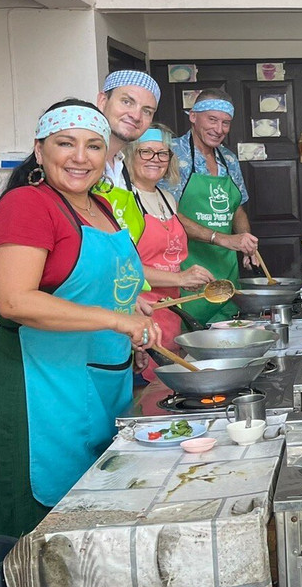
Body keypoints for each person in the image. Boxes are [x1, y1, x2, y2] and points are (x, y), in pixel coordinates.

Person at [0, 99, 161, 537]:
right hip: (43, 390)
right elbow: (13, 300)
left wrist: (131, 319)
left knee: (92, 520)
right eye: (65, 143)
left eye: (93, 145)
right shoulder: (28, 205)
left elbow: (100, 287)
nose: (80, 157)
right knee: (41, 535)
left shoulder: (100, 208)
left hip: (102, 383)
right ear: (39, 149)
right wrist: (114, 320)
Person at [125, 124, 215, 377]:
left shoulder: (167, 198)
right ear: (131, 154)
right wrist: (180, 278)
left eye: (163, 153)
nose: (156, 159)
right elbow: (124, 269)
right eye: (146, 152)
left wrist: (188, 277)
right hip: (139, 312)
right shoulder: (123, 200)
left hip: (170, 311)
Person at [165, 89, 259, 325]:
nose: (219, 129)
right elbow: (166, 214)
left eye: (225, 123)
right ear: (193, 117)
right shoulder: (170, 154)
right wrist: (221, 238)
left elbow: (237, 208)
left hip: (225, 274)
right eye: (212, 120)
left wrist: (246, 241)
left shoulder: (228, 159)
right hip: (186, 271)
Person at [94, 69, 163, 242]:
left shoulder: (122, 168)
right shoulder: (78, 166)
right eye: (127, 102)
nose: (136, 115)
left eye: (147, 111)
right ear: (103, 101)